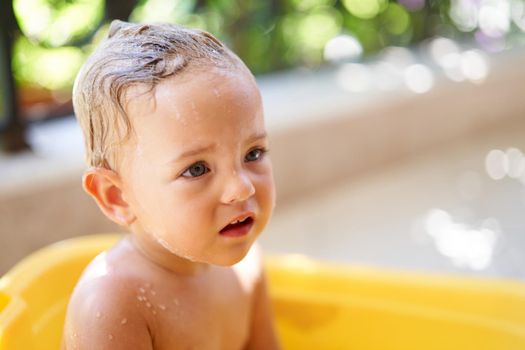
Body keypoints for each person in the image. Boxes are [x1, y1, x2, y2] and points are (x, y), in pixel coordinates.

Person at [63, 19, 279, 350]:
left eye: (253, 153)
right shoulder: (111, 303)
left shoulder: (247, 265)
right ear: (118, 197)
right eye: (196, 169)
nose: (241, 188)